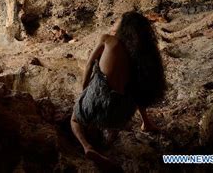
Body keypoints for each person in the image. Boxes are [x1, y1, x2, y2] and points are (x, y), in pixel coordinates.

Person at [71, 11, 166, 171]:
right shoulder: (139, 55)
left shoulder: (107, 39)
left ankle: (87, 147)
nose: (114, 22)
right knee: (134, 85)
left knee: (75, 118)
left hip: (99, 100)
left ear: (124, 27)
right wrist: (145, 120)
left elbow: (88, 66)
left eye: (118, 20)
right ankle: (145, 124)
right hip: (121, 114)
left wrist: (84, 92)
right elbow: (139, 93)